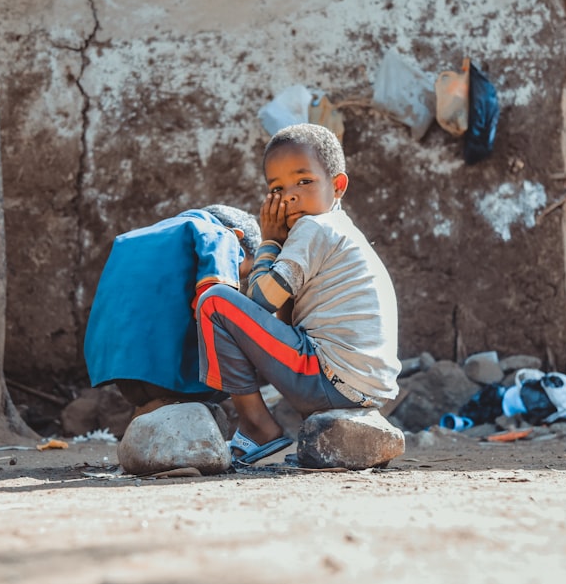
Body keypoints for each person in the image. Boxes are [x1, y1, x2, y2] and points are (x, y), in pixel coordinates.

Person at [196, 123, 401, 465]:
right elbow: (286, 318)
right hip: (361, 388)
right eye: (277, 187)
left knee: (214, 302)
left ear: (337, 186)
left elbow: (262, 301)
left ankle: (258, 427)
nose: (290, 195)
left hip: (330, 378)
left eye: (304, 181)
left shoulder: (313, 228)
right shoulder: (340, 231)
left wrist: (268, 243)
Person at [84, 205, 261, 417]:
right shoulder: (220, 235)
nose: (238, 279)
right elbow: (216, 309)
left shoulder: (130, 240)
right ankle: (257, 425)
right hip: (175, 379)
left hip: (123, 379)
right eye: (240, 272)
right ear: (238, 238)